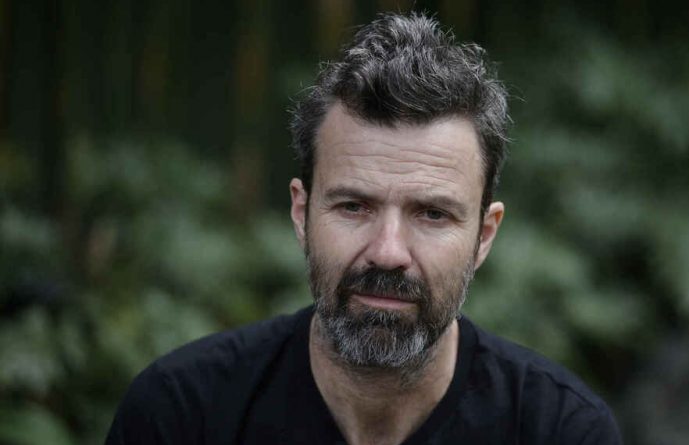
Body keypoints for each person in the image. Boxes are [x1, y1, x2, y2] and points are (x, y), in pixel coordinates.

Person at [106, 12, 621, 445]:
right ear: (301, 213)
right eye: (353, 206)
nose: (388, 252)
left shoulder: (560, 431)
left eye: (432, 214)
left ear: (484, 236)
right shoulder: (180, 416)